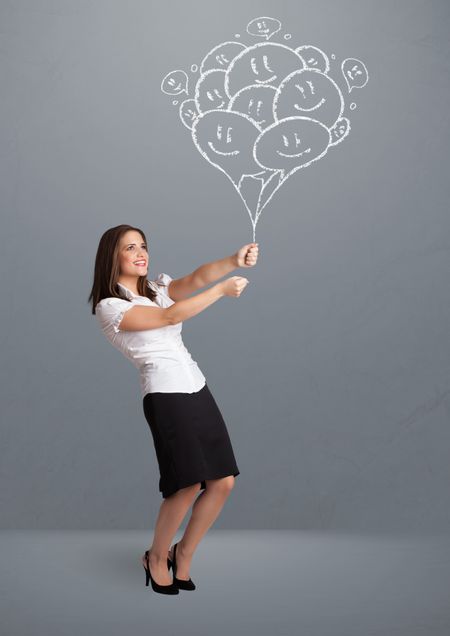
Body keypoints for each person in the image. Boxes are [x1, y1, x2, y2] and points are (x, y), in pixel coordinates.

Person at [88, 224, 258, 594]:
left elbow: (197, 277)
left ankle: (184, 554)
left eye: (143, 245)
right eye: (130, 247)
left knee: (223, 481)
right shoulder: (111, 307)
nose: (140, 252)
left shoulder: (157, 291)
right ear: (111, 258)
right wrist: (221, 291)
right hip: (164, 395)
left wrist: (233, 261)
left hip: (196, 386)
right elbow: (169, 318)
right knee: (186, 484)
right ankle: (155, 555)